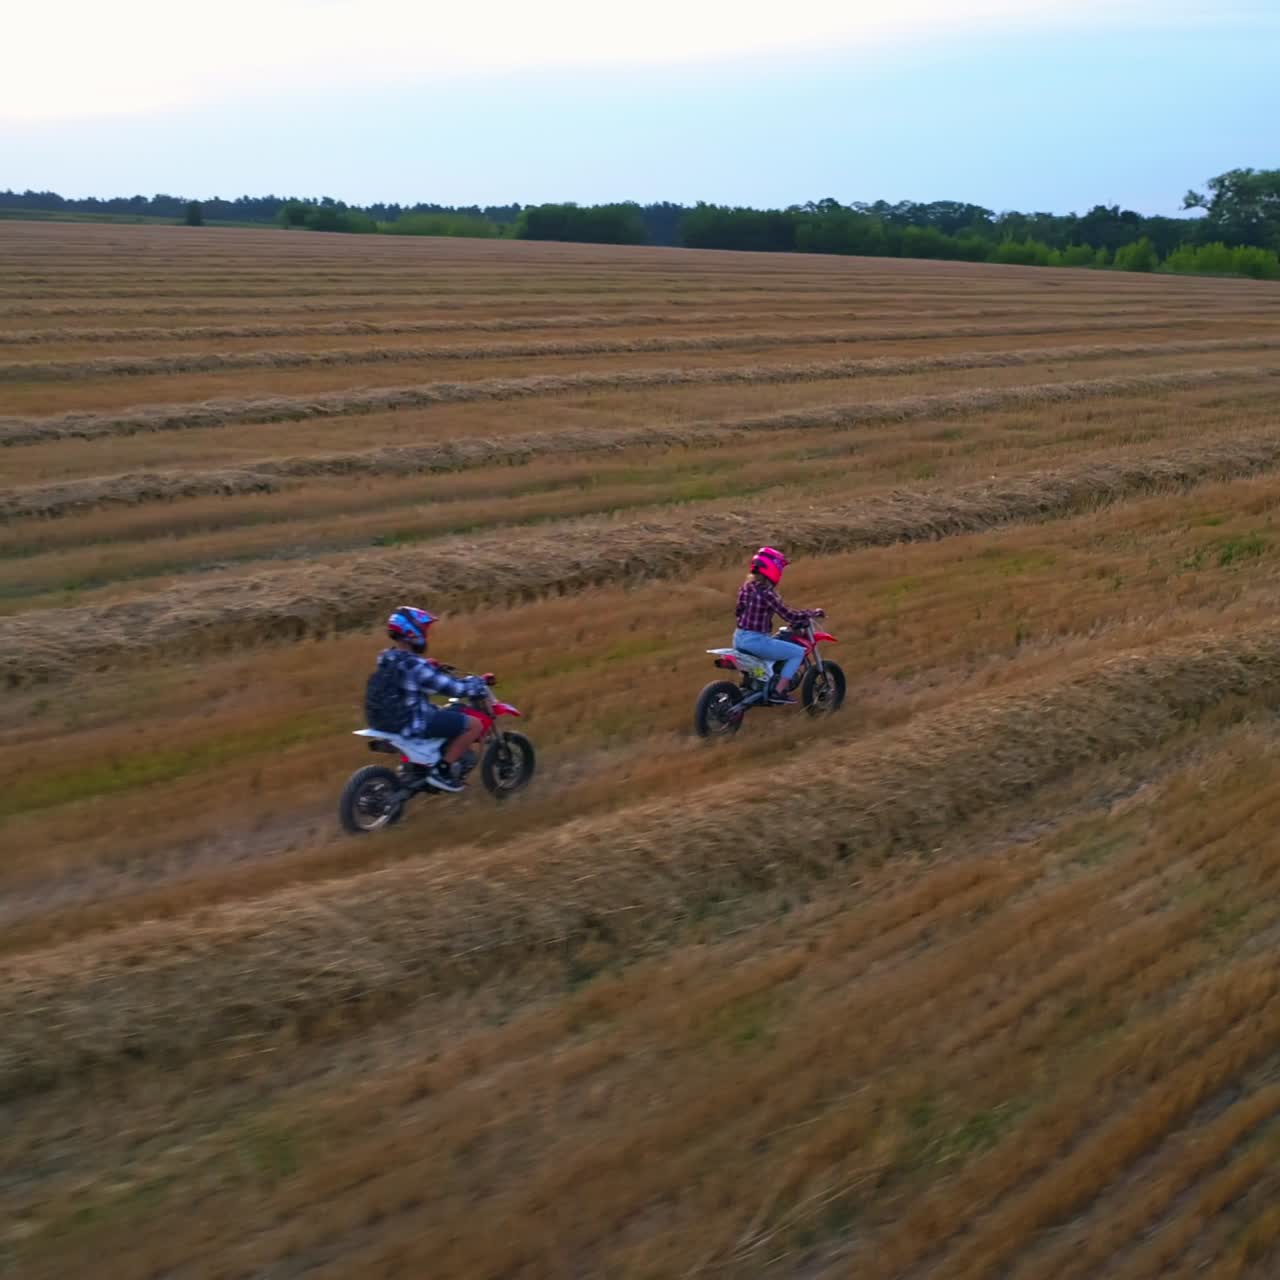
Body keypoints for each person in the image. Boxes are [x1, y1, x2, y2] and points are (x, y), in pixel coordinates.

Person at [376, 605, 491, 792]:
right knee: (474, 725)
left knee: (444, 713)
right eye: (423, 630)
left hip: (392, 717)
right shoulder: (416, 666)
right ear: (411, 633)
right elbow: (453, 689)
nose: (425, 635)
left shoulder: (386, 657)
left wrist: (429, 667)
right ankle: (442, 772)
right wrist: (477, 684)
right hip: (416, 721)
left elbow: (410, 678)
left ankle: (423, 765)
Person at [733, 547, 824, 704]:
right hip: (756, 641)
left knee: (761, 663)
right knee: (797, 653)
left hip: (738, 638)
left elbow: (739, 611)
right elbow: (789, 615)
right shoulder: (767, 593)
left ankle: (752, 685)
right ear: (773, 570)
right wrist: (811, 613)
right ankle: (778, 691)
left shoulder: (746, 588)